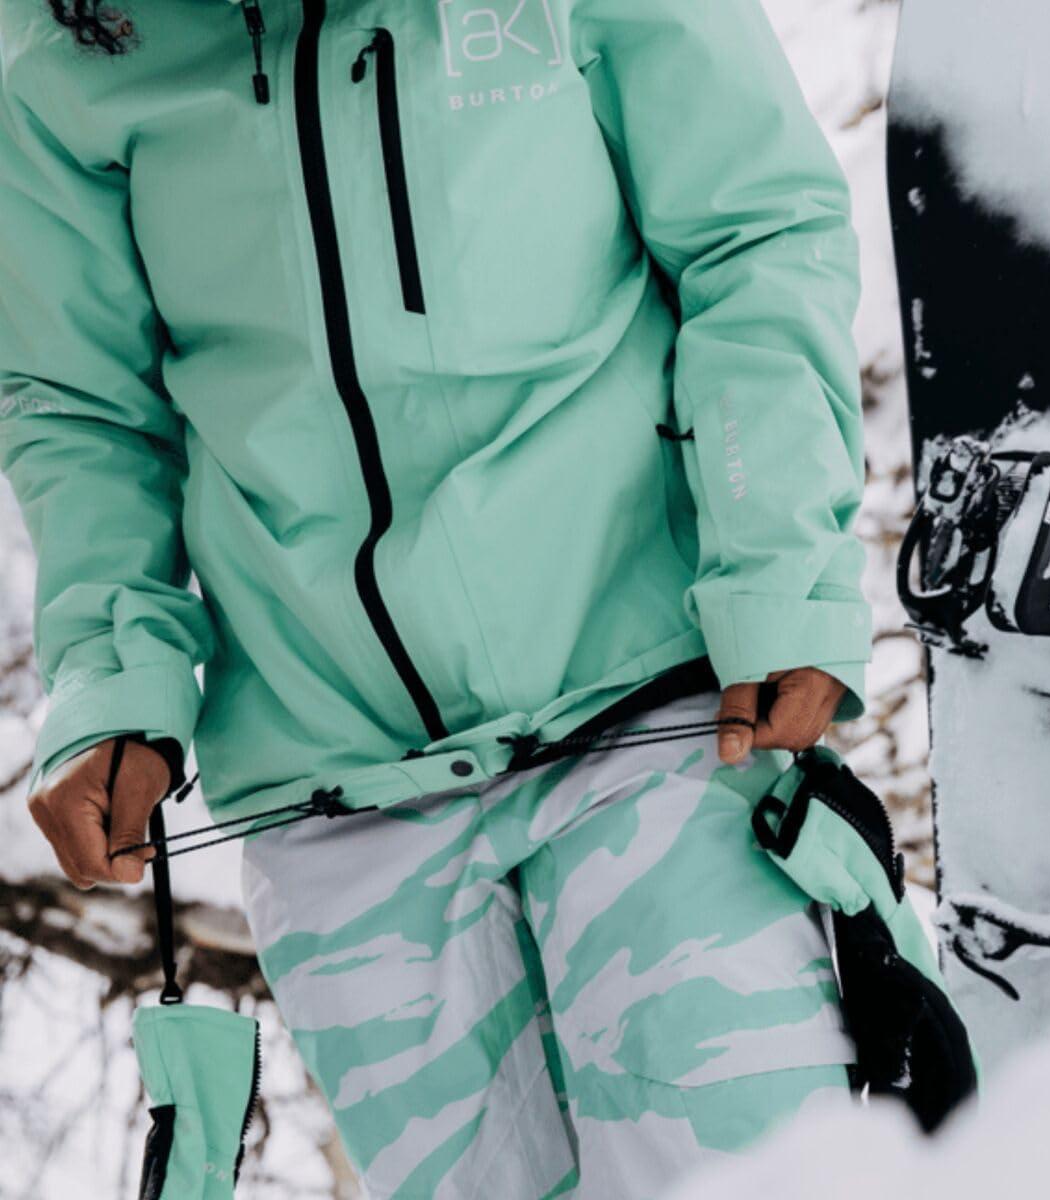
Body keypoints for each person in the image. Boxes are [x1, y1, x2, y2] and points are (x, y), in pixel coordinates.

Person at [0, 0, 871, 1194]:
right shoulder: (65, 44)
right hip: (335, 812)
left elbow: (754, 233)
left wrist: (781, 571)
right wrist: (115, 678)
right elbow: (78, 402)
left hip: (665, 719)